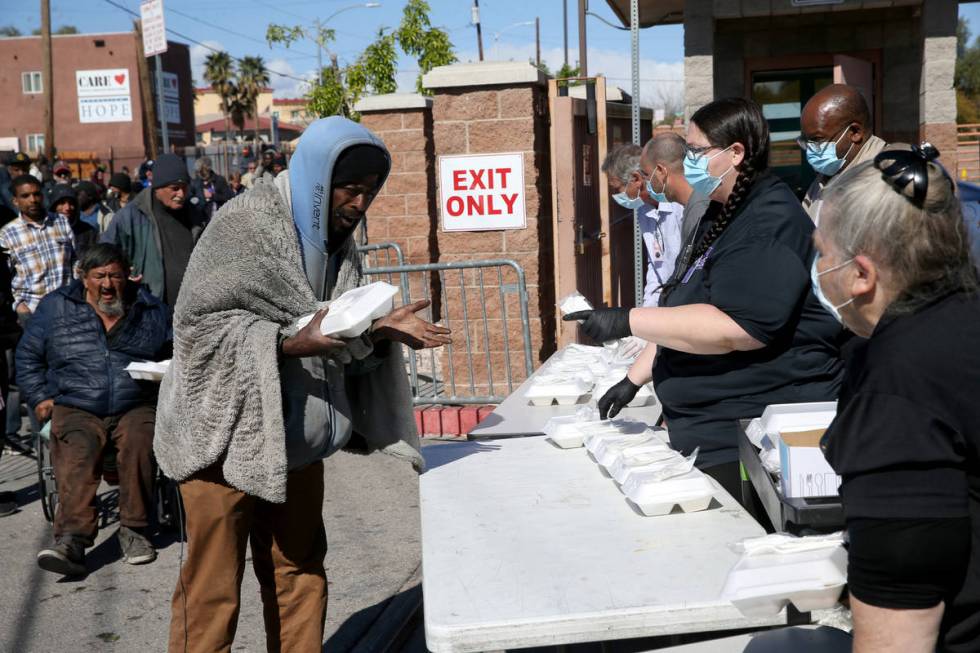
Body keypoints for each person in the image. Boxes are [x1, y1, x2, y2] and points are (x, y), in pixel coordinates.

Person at [154, 116, 451, 652]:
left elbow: (339, 327)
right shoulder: (242, 228)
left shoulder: (338, 247)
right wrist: (290, 343)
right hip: (220, 444)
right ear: (317, 176)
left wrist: (378, 331)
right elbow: (200, 331)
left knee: (300, 574)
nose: (359, 205)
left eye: (369, 193)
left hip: (294, 444)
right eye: (350, 189)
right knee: (212, 590)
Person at [568, 98, 844, 498]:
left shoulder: (768, 220)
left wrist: (628, 320)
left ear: (735, 153)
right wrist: (634, 378)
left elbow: (738, 327)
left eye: (696, 151)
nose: (688, 159)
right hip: (709, 425)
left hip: (748, 433)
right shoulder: (722, 210)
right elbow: (686, 305)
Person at [816, 143, 980, 653]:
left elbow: (898, 633)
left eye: (822, 253)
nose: (817, 269)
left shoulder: (897, 392)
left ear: (861, 275)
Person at [17, 243, 171, 576]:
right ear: (83, 277)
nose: (107, 284)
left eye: (115, 276)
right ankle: (72, 540)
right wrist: (40, 397)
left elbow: (174, 352)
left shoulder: (150, 309)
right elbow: (28, 358)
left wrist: (164, 375)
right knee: (78, 450)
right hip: (76, 403)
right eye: (99, 276)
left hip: (135, 401)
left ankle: (135, 529)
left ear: (127, 276)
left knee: (141, 441)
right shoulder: (56, 307)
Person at [102, 154, 208, 307]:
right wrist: (123, 275)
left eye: (185, 187)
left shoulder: (195, 216)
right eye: (175, 188)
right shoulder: (130, 217)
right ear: (158, 186)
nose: (181, 194)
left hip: (192, 312)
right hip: (149, 311)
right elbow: (104, 256)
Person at [601, 143, 685, 308]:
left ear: (635, 179)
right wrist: (648, 310)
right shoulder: (643, 210)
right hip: (669, 302)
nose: (616, 195)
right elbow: (656, 264)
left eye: (617, 188)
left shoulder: (679, 205)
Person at [799, 84, 886, 224]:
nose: (810, 149)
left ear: (855, 133)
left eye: (817, 139)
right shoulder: (821, 181)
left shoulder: (886, 182)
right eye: (807, 141)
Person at [0, 175, 75, 323]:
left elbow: (75, 260)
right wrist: (20, 306)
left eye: (36, 194)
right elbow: (4, 278)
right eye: (25, 196)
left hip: (66, 308)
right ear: (15, 201)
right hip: (32, 313)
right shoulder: (7, 234)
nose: (32, 200)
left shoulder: (61, 222)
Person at [48, 184, 97, 259]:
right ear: (54, 206)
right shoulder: (45, 230)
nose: (67, 208)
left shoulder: (88, 231)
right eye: (62, 203)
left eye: (71, 203)